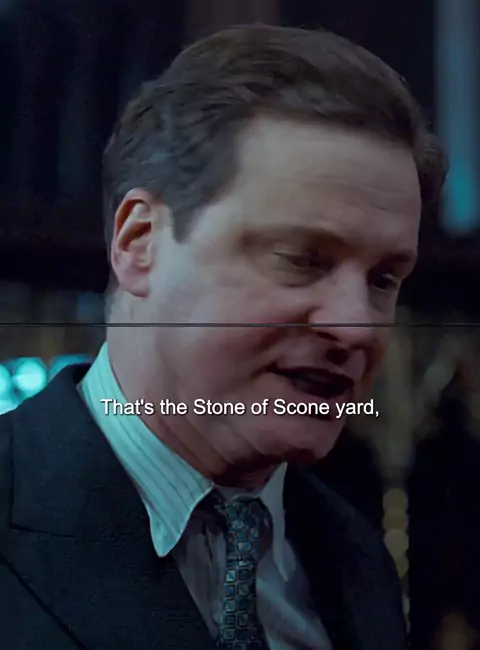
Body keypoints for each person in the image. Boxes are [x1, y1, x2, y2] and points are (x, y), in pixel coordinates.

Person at [0, 24, 446, 650]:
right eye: (302, 259)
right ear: (140, 243)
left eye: (383, 279)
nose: (355, 326)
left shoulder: (357, 560)